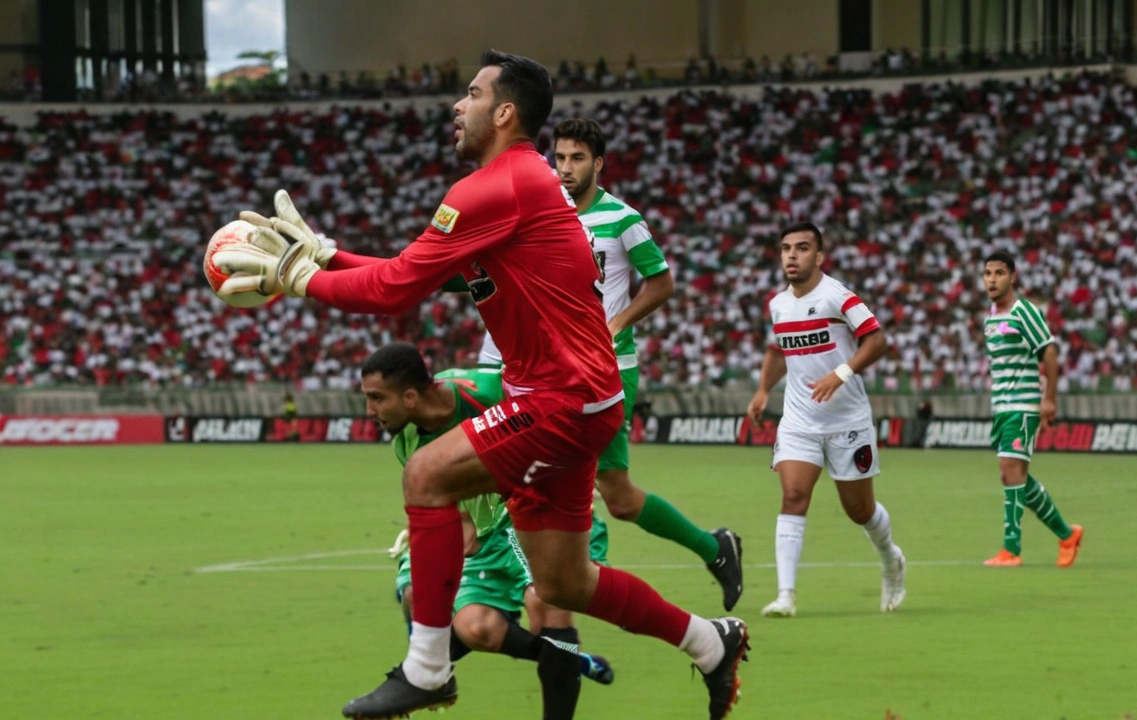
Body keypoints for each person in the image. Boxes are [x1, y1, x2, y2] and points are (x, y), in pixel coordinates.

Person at [215, 50, 747, 720]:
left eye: (470, 93)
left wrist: (301, 279)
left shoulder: (495, 187)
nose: (456, 106)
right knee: (564, 581)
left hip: (563, 397)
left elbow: (391, 291)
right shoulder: (519, 186)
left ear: (504, 112)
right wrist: (325, 255)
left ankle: (428, 669)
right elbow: (411, 271)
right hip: (579, 396)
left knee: (426, 476)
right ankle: (711, 643)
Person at [361, 343, 612, 720]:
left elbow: (558, 408)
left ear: (411, 397)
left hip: (544, 502)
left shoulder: (489, 391)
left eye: (376, 398)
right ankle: (441, 675)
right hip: (491, 525)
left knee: (545, 603)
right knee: (468, 624)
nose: (369, 411)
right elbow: (456, 508)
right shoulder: (408, 441)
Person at [555, 117, 742, 610]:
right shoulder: (546, 214)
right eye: (560, 158)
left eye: (577, 158)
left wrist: (616, 323)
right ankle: (574, 572)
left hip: (609, 367)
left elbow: (661, 282)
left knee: (616, 496)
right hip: (555, 367)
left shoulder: (622, 218)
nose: (567, 168)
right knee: (551, 470)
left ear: (597, 163)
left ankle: (713, 547)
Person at [746, 222, 905, 617]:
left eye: (801, 249)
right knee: (794, 496)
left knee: (859, 511)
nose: (792, 256)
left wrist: (842, 373)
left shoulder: (839, 297)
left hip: (847, 419)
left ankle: (891, 558)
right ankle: (786, 595)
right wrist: (764, 390)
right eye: (786, 249)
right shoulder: (778, 304)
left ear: (819, 257)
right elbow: (777, 350)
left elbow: (877, 339)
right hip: (800, 419)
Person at [978, 251, 1084, 568]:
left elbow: (1049, 351)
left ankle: (1012, 549)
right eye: (987, 273)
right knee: (1013, 475)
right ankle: (1066, 534)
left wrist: (1049, 398)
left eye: (999, 273)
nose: (992, 279)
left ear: (1013, 277)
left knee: (1011, 472)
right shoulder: (991, 319)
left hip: (1023, 405)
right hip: (1002, 406)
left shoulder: (1025, 311)